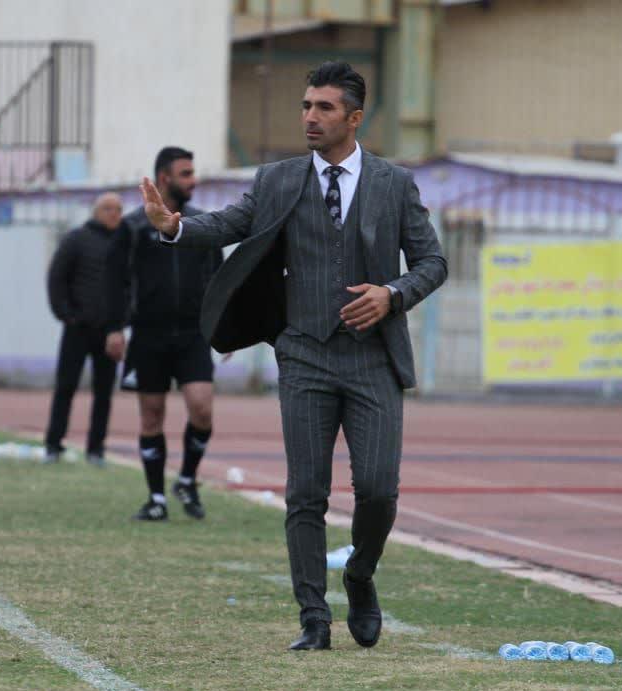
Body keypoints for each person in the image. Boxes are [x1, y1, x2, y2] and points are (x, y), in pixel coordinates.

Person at [140, 62, 447, 650]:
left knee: (378, 489)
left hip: (373, 360)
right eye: (306, 105)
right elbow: (228, 224)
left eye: (324, 107)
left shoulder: (393, 183)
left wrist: (392, 294)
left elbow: (432, 262)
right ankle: (313, 617)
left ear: (354, 118)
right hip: (304, 354)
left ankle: (359, 573)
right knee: (305, 492)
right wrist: (174, 228)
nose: (310, 116)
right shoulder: (278, 179)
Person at [106, 147, 223, 521]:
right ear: (163, 178)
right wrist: (114, 328)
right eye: (185, 174)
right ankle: (156, 499)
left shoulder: (201, 223)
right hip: (148, 335)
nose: (193, 180)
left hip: (192, 334)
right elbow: (116, 282)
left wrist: (224, 325)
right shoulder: (133, 227)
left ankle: (187, 479)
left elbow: (218, 279)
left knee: (202, 409)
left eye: (193, 172)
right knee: (151, 416)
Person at [44, 192, 126, 466]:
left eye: (118, 209)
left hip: (110, 332)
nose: (114, 214)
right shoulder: (76, 239)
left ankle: (96, 449)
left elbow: (131, 285)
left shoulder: (124, 242)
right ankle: (53, 445)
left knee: (104, 393)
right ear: (96, 212)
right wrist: (66, 314)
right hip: (78, 328)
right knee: (66, 387)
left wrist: (121, 323)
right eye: (108, 208)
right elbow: (57, 277)